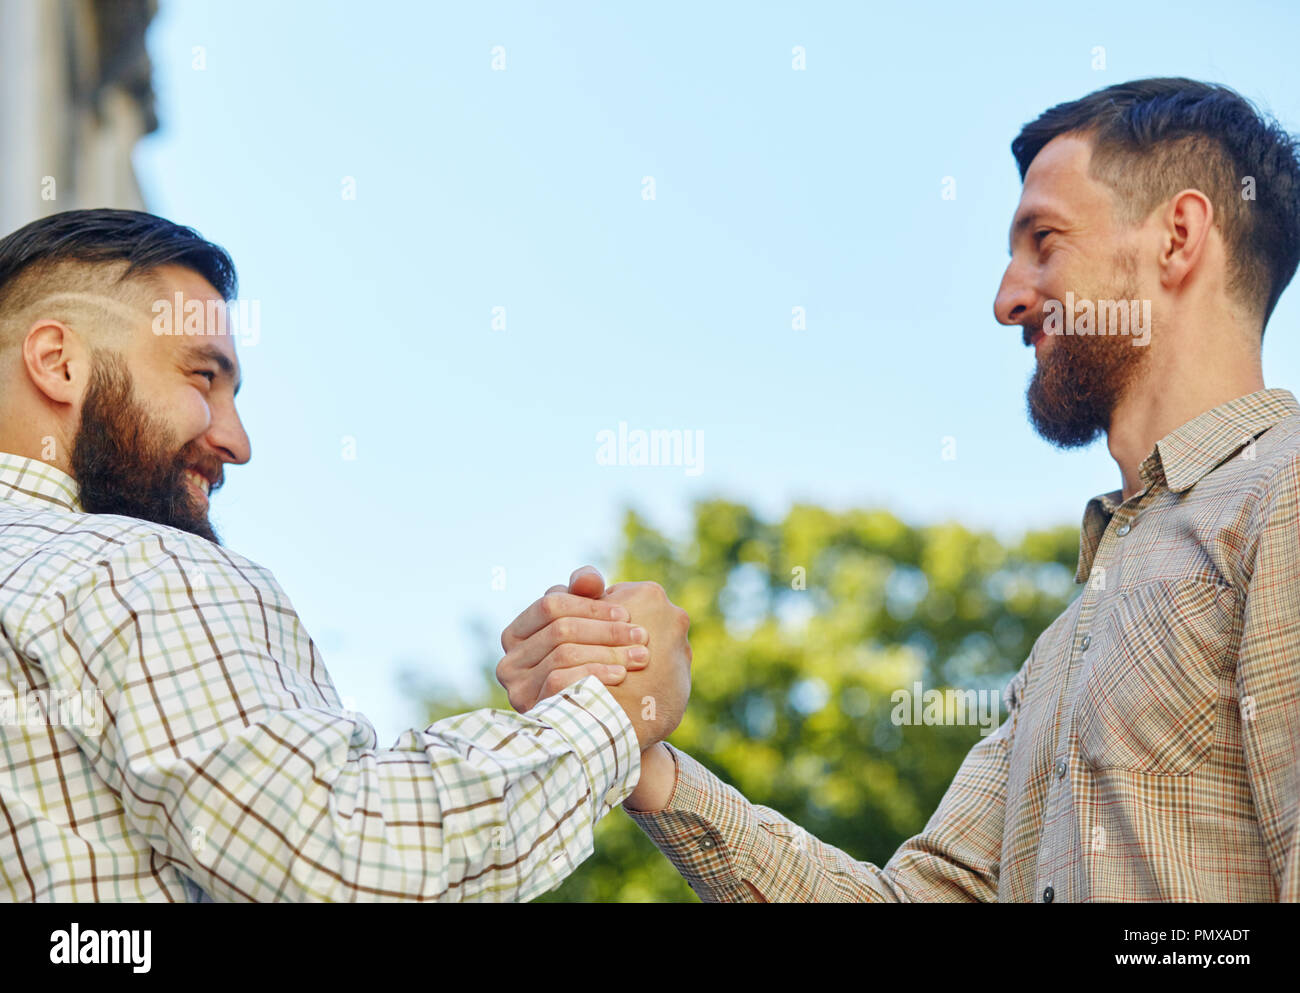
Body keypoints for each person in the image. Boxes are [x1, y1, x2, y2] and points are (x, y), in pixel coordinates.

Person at [499, 77, 1300, 901]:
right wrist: (637, 754)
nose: (1007, 299)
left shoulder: (1285, 493)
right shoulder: (1065, 646)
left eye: (1045, 240)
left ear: (1179, 234)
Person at [0, 208, 690, 902]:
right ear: (59, 363)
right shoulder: (130, 565)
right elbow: (353, 863)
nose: (238, 442)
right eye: (202, 375)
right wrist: (614, 711)